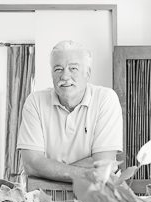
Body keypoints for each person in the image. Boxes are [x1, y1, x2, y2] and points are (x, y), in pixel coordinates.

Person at [17, 40, 123, 182]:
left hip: (92, 194)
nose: (65, 76)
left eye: (73, 68)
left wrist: (47, 170)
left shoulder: (106, 99)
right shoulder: (35, 101)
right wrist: (88, 174)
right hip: (42, 195)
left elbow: (103, 165)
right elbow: (31, 164)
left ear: (88, 73)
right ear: (52, 74)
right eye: (58, 69)